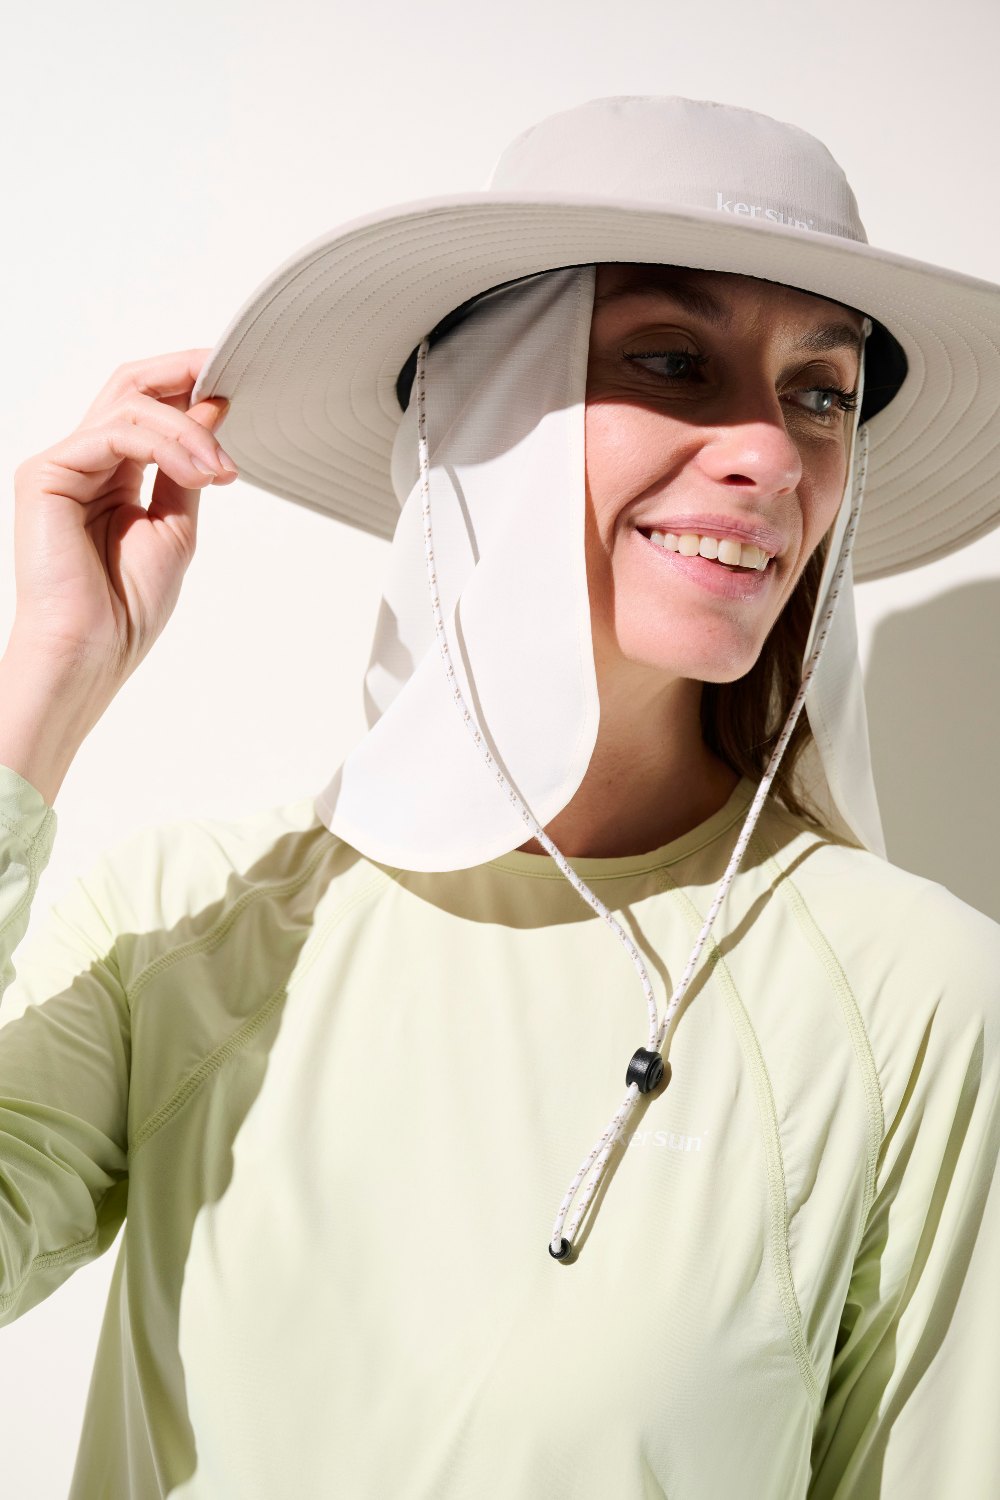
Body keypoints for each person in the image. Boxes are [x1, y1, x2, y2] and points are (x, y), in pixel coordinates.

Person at [1, 94, 999, 1499]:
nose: (772, 454)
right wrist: (41, 692)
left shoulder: (918, 1001)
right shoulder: (189, 931)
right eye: (671, 356)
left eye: (820, 393)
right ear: (484, 416)